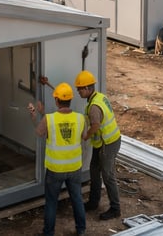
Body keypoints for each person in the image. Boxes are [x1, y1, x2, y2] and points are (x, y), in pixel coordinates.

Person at [41, 71, 122, 220]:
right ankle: (93, 202)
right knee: (94, 171)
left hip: (107, 144)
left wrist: (86, 136)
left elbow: (96, 125)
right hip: (105, 142)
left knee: (107, 175)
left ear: (87, 88)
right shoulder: (98, 97)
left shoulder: (93, 107)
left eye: (79, 89)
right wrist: (49, 85)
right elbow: (64, 99)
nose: (78, 92)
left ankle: (115, 208)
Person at [28, 83, 87, 236]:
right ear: (70, 100)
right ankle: (81, 230)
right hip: (74, 168)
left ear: (56, 100)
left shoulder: (49, 119)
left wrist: (35, 116)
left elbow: (40, 132)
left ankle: (49, 233)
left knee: (52, 202)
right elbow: (82, 136)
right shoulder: (80, 118)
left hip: (55, 169)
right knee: (77, 199)